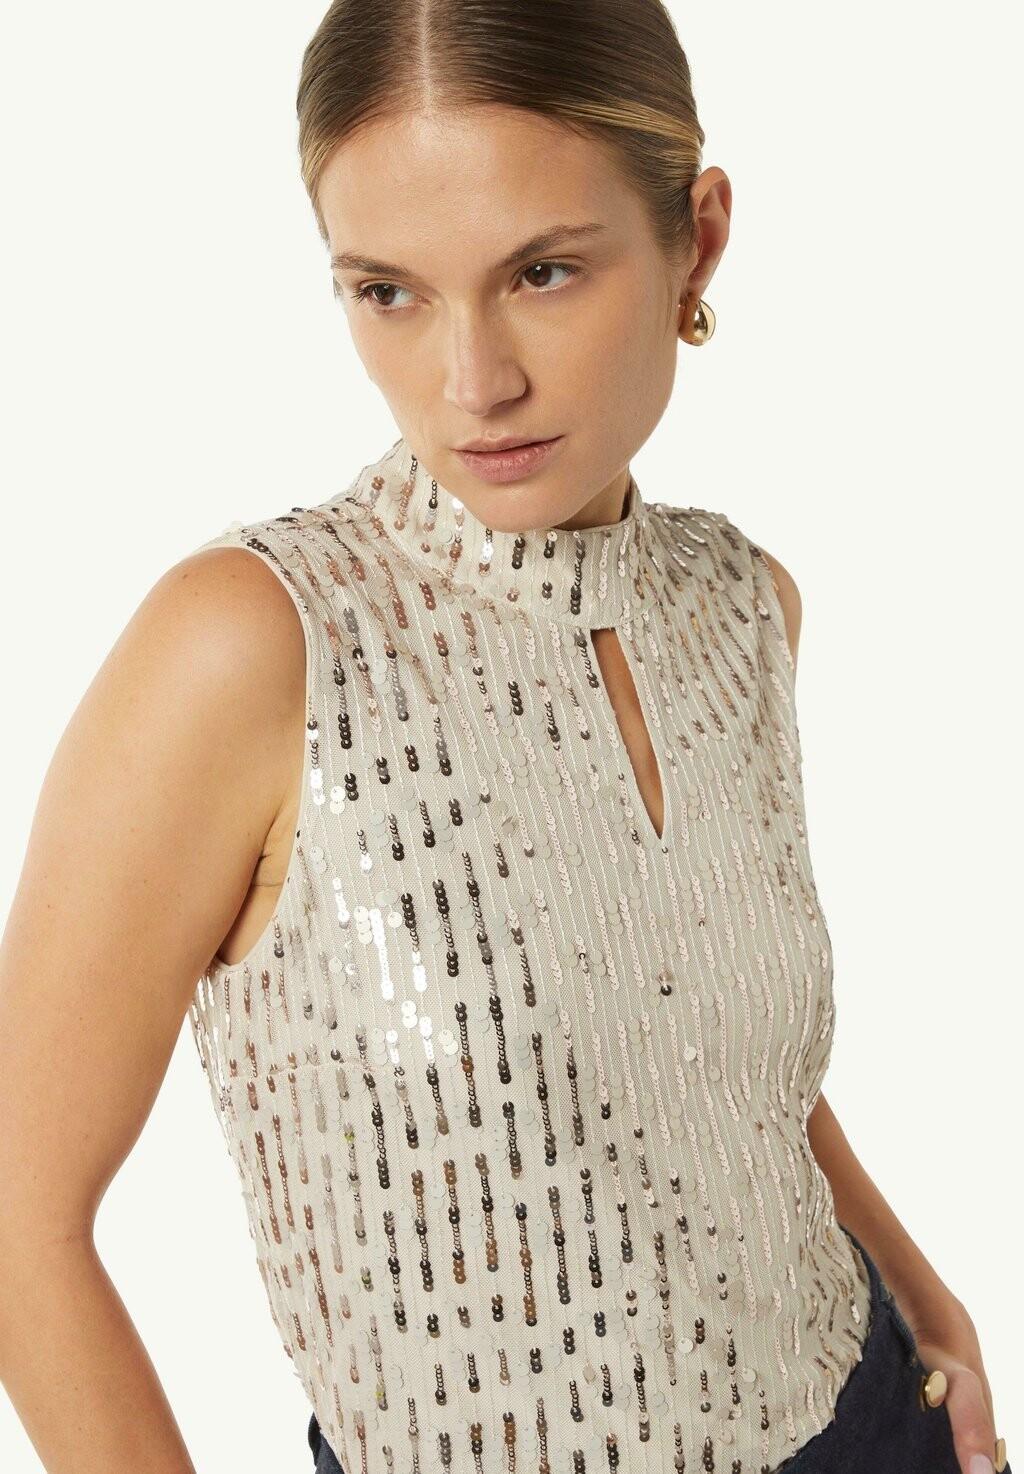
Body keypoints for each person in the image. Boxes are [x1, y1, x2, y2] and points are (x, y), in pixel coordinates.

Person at [0, 2, 1011, 1473]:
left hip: (865, 1424)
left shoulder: (743, 606)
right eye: (389, 292)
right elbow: (18, 1214)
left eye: (543, 272)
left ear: (697, 243)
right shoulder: (255, 646)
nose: (472, 381)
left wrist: (926, 1299)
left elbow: (715, 1064)